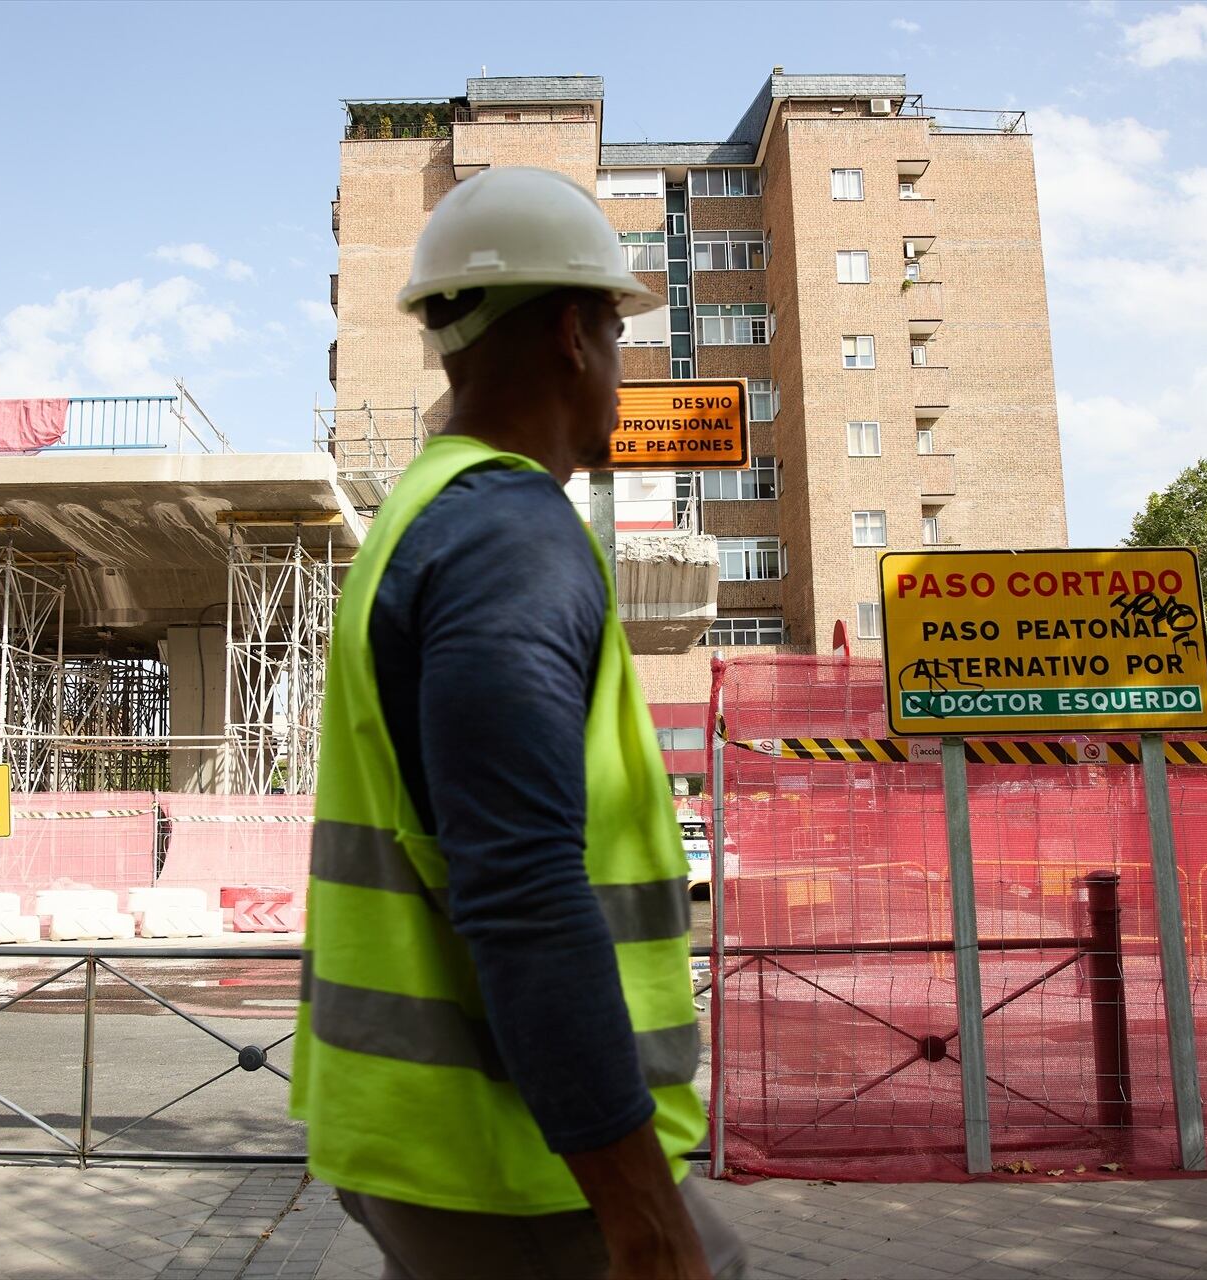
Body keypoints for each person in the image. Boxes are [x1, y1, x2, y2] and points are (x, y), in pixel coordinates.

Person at [290, 166, 746, 1280]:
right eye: (621, 333)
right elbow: (525, 884)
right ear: (574, 333)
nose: (624, 371)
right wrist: (642, 1209)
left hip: (423, 1135)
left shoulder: (421, 514)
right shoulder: (511, 537)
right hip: (513, 1167)